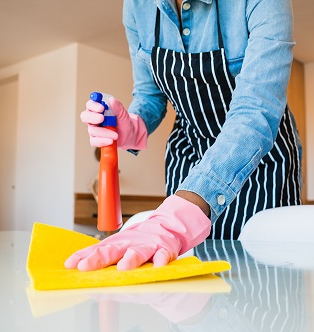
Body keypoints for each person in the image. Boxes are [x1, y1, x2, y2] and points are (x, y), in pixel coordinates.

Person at [65, 0, 302, 272]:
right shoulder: (136, 6)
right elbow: (149, 95)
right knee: (188, 287)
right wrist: (129, 127)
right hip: (189, 154)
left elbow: (255, 109)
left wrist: (175, 219)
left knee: (261, 281)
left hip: (261, 163)